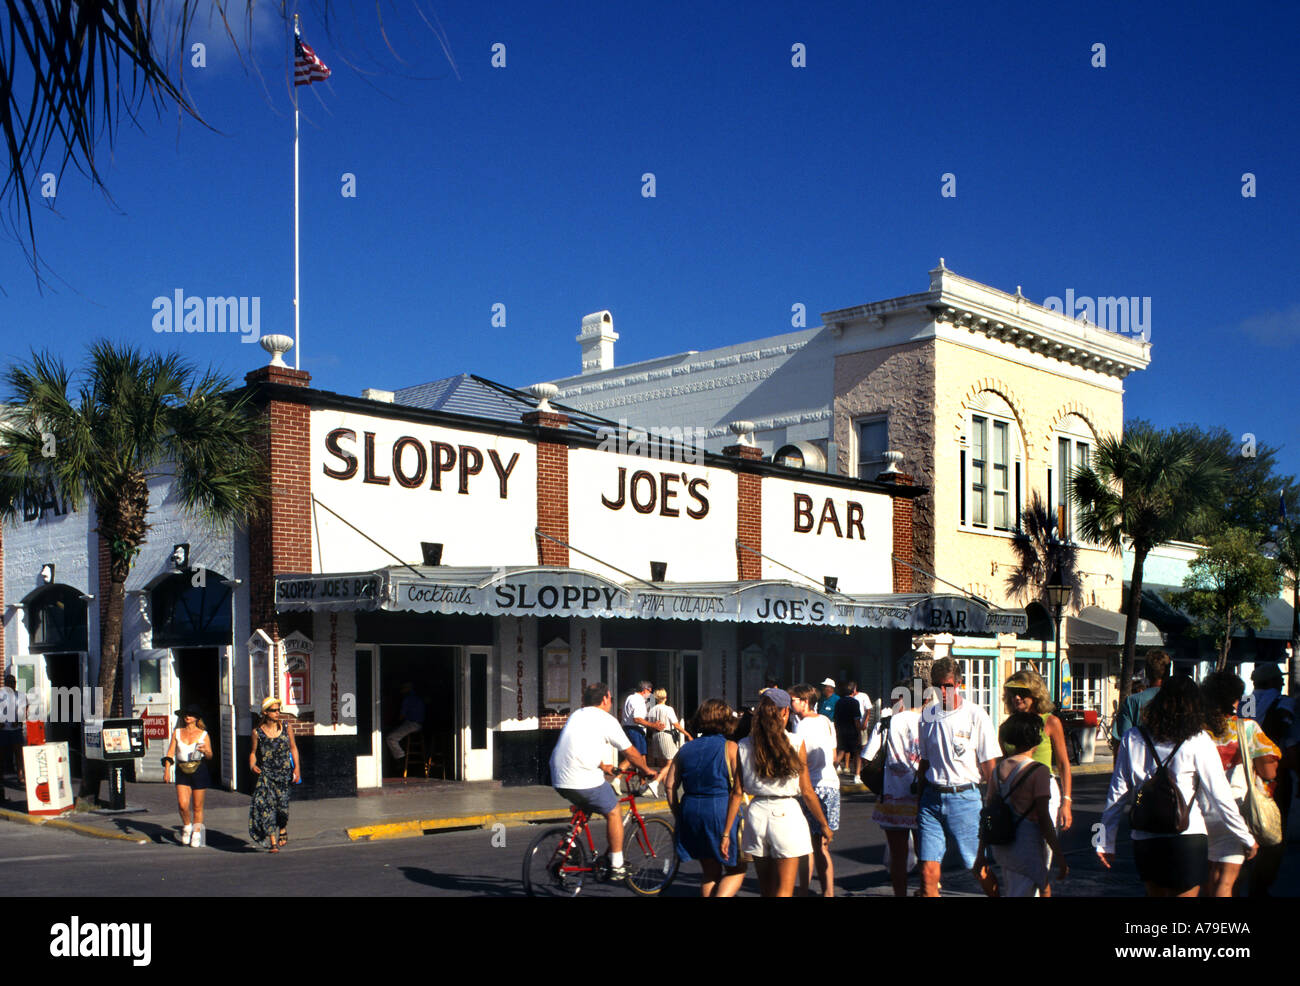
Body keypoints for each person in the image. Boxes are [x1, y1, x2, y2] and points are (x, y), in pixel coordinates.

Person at [1098, 675, 1256, 897]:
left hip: (1145, 836)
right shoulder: (1198, 740)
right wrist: (1245, 836)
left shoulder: (1133, 737)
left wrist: (1105, 840)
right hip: (1187, 836)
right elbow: (1220, 796)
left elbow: (1117, 793)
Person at [722, 689, 832, 897]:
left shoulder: (744, 745)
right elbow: (807, 791)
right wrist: (824, 824)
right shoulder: (796, 742)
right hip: (786, 814)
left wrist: (726, 833)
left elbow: (736, 793)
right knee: (784, 890)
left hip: (756, 815)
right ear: (785, 713)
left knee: (767, 890)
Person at [550, 682, 656, 880]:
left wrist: (603, 766)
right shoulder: (606, 719)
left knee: (588, 803)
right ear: (606, 699)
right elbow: (631, 753)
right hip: (580, 777)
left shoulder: (576, 715)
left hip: (558, 777)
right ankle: (617, 865)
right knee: (614, 810)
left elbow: (577, 748)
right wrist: (647, 770)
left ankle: (569, 843)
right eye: (610, 698)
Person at [916, 657, 1000, 897]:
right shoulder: (927, 716)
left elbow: (989, 765)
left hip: (964, 799)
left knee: (978, 867)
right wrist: (919, 800)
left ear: (959, 684)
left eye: (947, 685)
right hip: (931, 800)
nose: (942, 691)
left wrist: (993, 804)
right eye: (937, 686)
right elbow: (924, 761)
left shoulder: (976, 715)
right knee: (928, 873)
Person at [1202, 670, 1280, 897]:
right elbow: (1268, 770)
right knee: (1227, 882)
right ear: (1236, 699)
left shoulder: (1197, 730)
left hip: (1198, 808)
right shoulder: (1247, 728)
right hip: (1235, 807)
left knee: (1209, 878)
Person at [974, 712, 1068, 897]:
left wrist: (981, 854)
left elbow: (988, 813)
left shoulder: (997, 771)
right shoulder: (1039, 771)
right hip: (1027, 844)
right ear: (1036, 739)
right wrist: (1058, 854)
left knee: (1021, 888)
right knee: (1040, 889)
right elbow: (1043, 817)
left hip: (1002, 845)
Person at [663, 699, 747, 897]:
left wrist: (679, 814)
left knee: (710, 872)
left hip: (691, 809)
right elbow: (737, 790)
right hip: (719, 810)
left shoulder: (686, 749)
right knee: (736, 869)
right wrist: (726, 833)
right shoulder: (731, 748)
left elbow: (669, 785)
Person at [1001, 668, 1073, 893]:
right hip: (1014, 794)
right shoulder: (1007, 727)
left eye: (1023, 693)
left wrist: (1066, 802)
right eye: (1013, 693)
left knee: (1043, 855)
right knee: (1017, 857)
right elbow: (1005, 765)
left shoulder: (1050, 722)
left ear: (1036, 694)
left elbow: (1063, 764)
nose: (1017, 697)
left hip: (1045, 790)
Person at [867, 676, 927, 896]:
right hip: (925, 797)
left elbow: (867, 757)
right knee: (927, 855)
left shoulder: (889, 722)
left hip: (894, 796)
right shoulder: (931, 722)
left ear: (902, 697)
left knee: (898, 857)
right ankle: (925, 890)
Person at [790, 683, 839, 896]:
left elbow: (799, 760)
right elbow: (834, 754)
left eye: (793, 700)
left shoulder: (801, 727)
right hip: (831, 784)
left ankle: (803, 890)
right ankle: (828, 892)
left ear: (805, 701)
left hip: (812, 786)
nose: (791, 705)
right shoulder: (827, 722)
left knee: (807, 846)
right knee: (822, 846)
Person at [249, 697, 300, 853]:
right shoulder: (257, 732)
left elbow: (293, 748)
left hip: (284, 774)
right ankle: (272, 842)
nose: (278, 713)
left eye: (279, 710)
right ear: (265, 712)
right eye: (274, 710)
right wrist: (252, 764)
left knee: (282, 808)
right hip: (267, 775)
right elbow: (252, 752)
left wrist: (297, 768)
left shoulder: (286, 727)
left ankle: (282, 828)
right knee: (267, 807)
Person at [162, 705, 214, 847]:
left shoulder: (203, 734)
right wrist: (167, 770)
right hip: (182, 769)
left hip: (198, 769)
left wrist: (205, 750)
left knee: (197, 806)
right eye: (185, 714)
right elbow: (170, 752)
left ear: (196, 718)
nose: (187, 717)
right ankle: (187, 826)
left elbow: (210, 755)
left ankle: (197, 833)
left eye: (191, 714)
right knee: (183, 804)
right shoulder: (177, 732)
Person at [1112, 650, 1171, 750]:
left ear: (1146, 672)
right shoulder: (1178, 701)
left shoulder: (1131, 702)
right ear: (1168, 672)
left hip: (1140, 761)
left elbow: (1124, 740)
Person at [645, 688, 691, 779]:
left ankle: (665, 790)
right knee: (672, 761)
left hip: (655, 736)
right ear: (665, 697)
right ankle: (656, 782)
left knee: (662, 764)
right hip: (666, 735)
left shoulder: (652, 710)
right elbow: (676, 725)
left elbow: (650, 726)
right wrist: (687, 734)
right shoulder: (668, 709)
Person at [384, 682, 425, 768]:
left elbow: (402, 716)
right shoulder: (418, 698)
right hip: (418, 724)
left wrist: (394, 722)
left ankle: (401, 760)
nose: (402, 691)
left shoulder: (408, 699)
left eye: (403, 688)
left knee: (391, 738)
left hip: (412, 724)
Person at [833, 680, 868, 777]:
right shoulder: (855, 702)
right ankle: (857, 775)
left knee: (841, 752)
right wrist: (859, 732)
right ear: (853, 691)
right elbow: (856, 720)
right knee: (857, 753)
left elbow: (836, 718)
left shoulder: (838, 702)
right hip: (852, 731)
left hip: (841, 731)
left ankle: (832, 770)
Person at [621, 681, 663, 757]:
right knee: (637, 756)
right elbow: (637, 719)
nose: (650, 694)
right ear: (645, 690)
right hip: (635, 730)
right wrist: (653, 725)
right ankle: (620, 768)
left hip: (628, 729)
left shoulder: (630, 697)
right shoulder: (638, 700)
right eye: (650, 691)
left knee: (638, 756)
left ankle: (642, 769)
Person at [0, 674, 25, 783]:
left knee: (18, 753)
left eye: (13, 682)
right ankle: (1, 776)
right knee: (2, 754)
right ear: (5, 684)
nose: (11, 684)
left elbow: (24, 709)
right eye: (9, 682)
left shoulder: (20, 695)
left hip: (16, 730)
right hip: (3, 730)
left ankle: (20, 776)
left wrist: (19, 720)